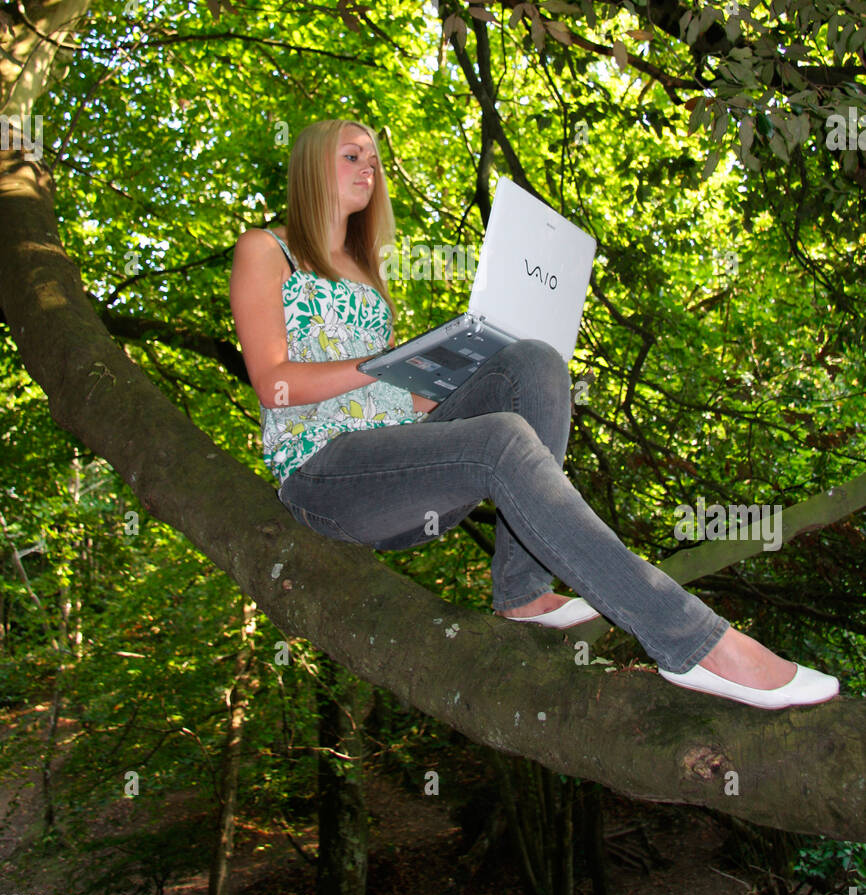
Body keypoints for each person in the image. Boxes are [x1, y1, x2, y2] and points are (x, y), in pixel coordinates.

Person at [230, 117, 840, 710]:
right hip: (323, 478)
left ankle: (522, 591)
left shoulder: (367, 275)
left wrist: (444, 367)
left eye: (373, 158)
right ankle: (697, 643)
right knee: (500, 440)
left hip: (396, 467)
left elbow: (395, 399)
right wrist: (380, 363)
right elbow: (273, 383)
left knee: (535, 361)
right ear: (312, 164)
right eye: (351, 155)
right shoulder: (267, 249)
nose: (369, 168)